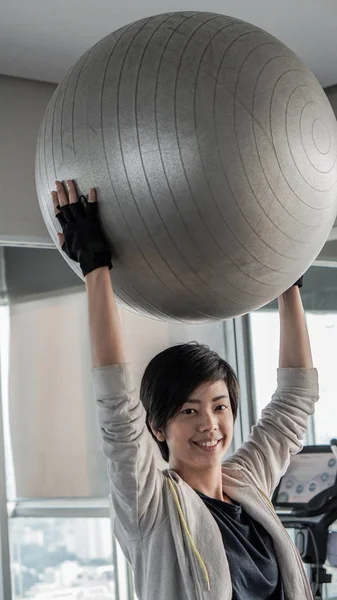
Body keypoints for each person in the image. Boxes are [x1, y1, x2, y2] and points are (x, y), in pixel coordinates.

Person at [52, 180, 318, 600]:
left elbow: (294, 402)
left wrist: (288, 284)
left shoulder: (246, 482)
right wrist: (95, 267)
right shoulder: (151, 504)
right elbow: (117, 410)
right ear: (157, 427)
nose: (210, 424)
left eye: (219, 406)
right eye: (188, 411)